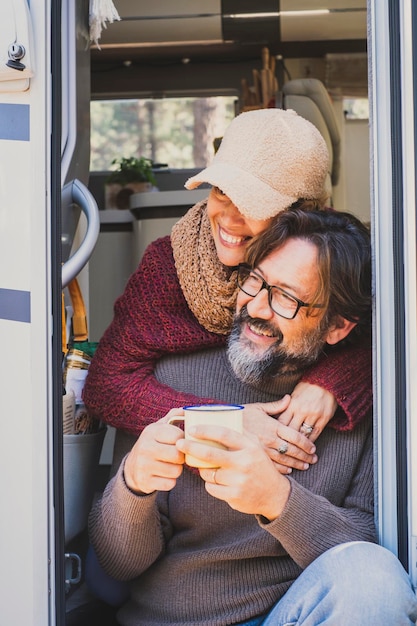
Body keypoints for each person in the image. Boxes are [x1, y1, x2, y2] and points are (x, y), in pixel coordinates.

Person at [88, 208, 417, 625]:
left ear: (337, 327)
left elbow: (369, 547)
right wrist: (133, 484)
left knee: (373, 581)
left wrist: (275, 500)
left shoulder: (366, 406)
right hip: (174, 618)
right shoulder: (170, 381)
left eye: (286, 298)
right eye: (256, 280)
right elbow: (119, 567)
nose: (257, 308)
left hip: (293, 613)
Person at [82, 109, 372, 467]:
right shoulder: (167, 266)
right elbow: (105, 384)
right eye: (222, 191)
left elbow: (381, 335)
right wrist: (226, 421)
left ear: (303, 213)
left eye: (254, 203)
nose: (229, 218)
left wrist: (332, 382)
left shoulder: (331, 264)